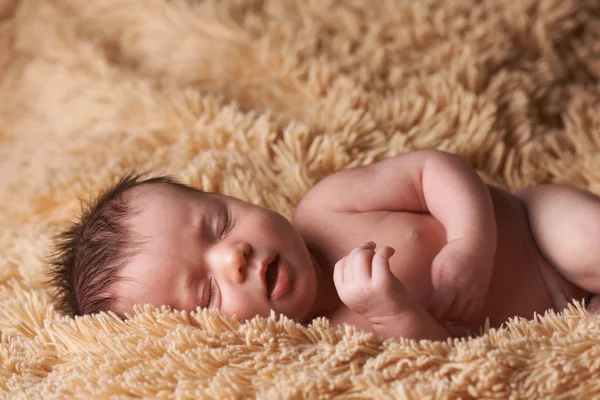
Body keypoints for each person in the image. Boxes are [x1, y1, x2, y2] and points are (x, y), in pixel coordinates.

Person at [49, 149, 600, 341]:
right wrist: (395, 310)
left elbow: (434, 170)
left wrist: (469, 247)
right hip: (555, 317)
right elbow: (440, 351)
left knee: (588, 245)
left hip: (533, 229)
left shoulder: (328, 206)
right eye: (205, 292)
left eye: (218, 224)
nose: (232, 257)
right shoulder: (333, 338)